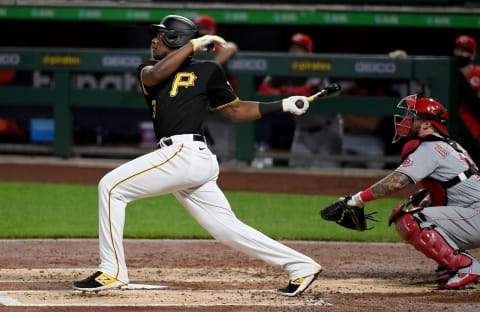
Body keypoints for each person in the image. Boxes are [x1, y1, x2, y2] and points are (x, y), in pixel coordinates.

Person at [72, 14, 321, 296]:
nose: (154, 39)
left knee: (111, 187)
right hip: (182, 158)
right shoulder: (148, 70)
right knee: (226, 229)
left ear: (176, 39)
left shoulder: (209, 72)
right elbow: (156, 76)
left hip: (187, 154)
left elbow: (236, 111)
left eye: (161, 35)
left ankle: (112, 269)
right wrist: (192, 46)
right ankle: (301, 266)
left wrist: (284, 104)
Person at [328, 94, 480, 289]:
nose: (406, 120)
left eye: (413, 116)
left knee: (411, 219)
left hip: (475, 216)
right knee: (422, 202)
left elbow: (396, 182)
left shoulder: (430, 147)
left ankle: (464, 266)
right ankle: (451, 264)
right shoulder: (449, 146)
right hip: (474, 214)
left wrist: (357, 199)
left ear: (427, 125)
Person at [258, 33, 343, 168]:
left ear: (308, 53)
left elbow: (308, 92)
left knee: (327, 173)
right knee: (296, 171)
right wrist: (285, 91)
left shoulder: (316, 68)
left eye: (300, 49)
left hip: (327, 129)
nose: (295, 52)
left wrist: (283, 91)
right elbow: (264, 89)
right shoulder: (282, 68)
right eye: (293, 48)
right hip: (302, 130)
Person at [193, 14, 239, 163]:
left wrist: (212, 65)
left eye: (205, 30)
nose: (202, 33)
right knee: (209, 152)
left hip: (225, 105)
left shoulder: (218, 47)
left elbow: (232, 47)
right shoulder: (189, 48)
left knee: (228, 151)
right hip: (204, 106)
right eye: (199, 30)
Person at [454, 35, 480, 140]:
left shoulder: (478, 73)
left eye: (465, 50)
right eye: (458, 49)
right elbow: (423, 79)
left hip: (473, 129)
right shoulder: (447, 71)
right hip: (450, 127)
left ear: (473, 55)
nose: (460, 53)